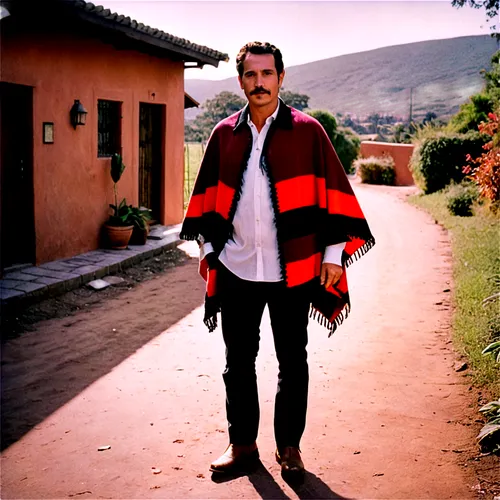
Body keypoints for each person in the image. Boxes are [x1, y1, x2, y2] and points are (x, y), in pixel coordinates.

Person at [180, 41, 375, 479]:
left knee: (293, 359)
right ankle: (243, 445)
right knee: (238, 361)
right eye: (251, 75)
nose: (259, 82)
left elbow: (333, 201)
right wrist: (211, 252)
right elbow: (206, 203)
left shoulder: (308, 132)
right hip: (237, 267)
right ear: (241, 81)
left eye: (267, 74)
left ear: (281, 77)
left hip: (295, 269)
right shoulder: (223, 134)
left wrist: (332, 255)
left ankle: (289, 448)